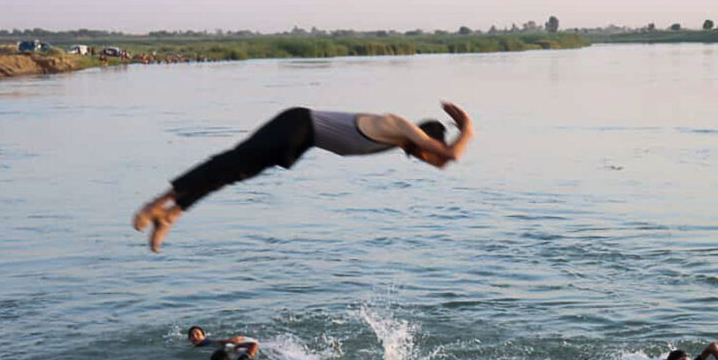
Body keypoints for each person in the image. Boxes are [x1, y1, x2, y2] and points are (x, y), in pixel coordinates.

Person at [133, 102, 474, 251]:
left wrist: (456, 136)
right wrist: (468, 128)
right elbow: (450, 156)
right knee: (228, 163)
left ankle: (172, 214)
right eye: (424, 152)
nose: (422, 159)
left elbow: (443, 162)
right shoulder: (400, 126)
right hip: (296, 125)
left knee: (234, 173)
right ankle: (155, 205)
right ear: (424, 140)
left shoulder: (401, 142)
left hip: (302, 141)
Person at [187, 325, 258, 355]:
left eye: (198, 334)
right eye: (192, 335)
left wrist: (229, 341)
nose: (195, 337)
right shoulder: (198, 345)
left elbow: (217, 341)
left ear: (204, 336)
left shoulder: (205, 342)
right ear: (189, 339)